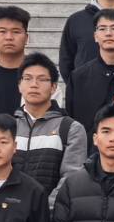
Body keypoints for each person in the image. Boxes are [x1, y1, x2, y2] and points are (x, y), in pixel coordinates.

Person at [10, 55, 88, 198]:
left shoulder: (71, 128)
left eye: (42, 79)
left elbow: (71, 177)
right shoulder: (8, 126)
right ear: (19, 85)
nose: (34, 84)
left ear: (53, 87)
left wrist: (45, 208)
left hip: (49, 210)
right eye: (28, 78)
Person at [66, 8, 114, 124]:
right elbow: (71, 119)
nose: (108, 33)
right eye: (102, 29)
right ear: (95, 36)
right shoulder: (78, 77)